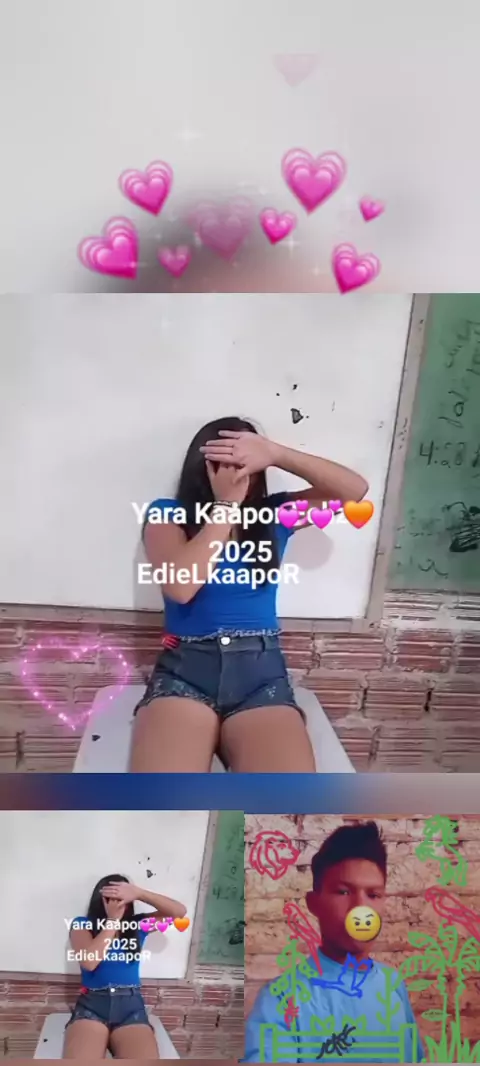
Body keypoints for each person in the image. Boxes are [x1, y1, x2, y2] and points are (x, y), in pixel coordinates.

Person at [130, 416, 367, 772]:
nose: (238, 473)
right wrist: (226, 506)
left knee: (285, 795)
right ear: (203, 466)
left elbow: (354, 492)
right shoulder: (168, 514)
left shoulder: (274, 515)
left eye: (245, 463)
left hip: (260, 673)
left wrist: (276, 453)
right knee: (163, 795)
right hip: (185, 670)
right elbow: (181, 586)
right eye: (225, 463)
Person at [243, 822, 424, 1063]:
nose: (360, 910)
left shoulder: (393, 984)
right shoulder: (280, 1000)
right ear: (314, 903)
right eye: (343, 892)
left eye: (373, 895)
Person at [63, 873, 187, 1059]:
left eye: (122, 898)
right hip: (92, 1005)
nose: (118, 903)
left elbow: (179, 912)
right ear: (100, 900)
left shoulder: (137, 925)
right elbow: (89, 961)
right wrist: (112, 922)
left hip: (130, 1006)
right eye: (111, 898)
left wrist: (140, 893)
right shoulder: (82, 924)